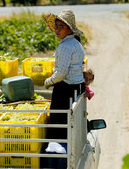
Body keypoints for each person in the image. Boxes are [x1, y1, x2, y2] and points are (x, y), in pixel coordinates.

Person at [43, 9, 85, 169]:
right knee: (69, 124)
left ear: (70, 29)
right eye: (57, 26)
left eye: (61, 26)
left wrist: (48, 81)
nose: (57, 29)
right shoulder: (74, 43)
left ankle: (58, 161)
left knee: (59, 125)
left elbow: (61, 74)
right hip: (74, 87)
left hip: (66, 89)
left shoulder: (66, 46)